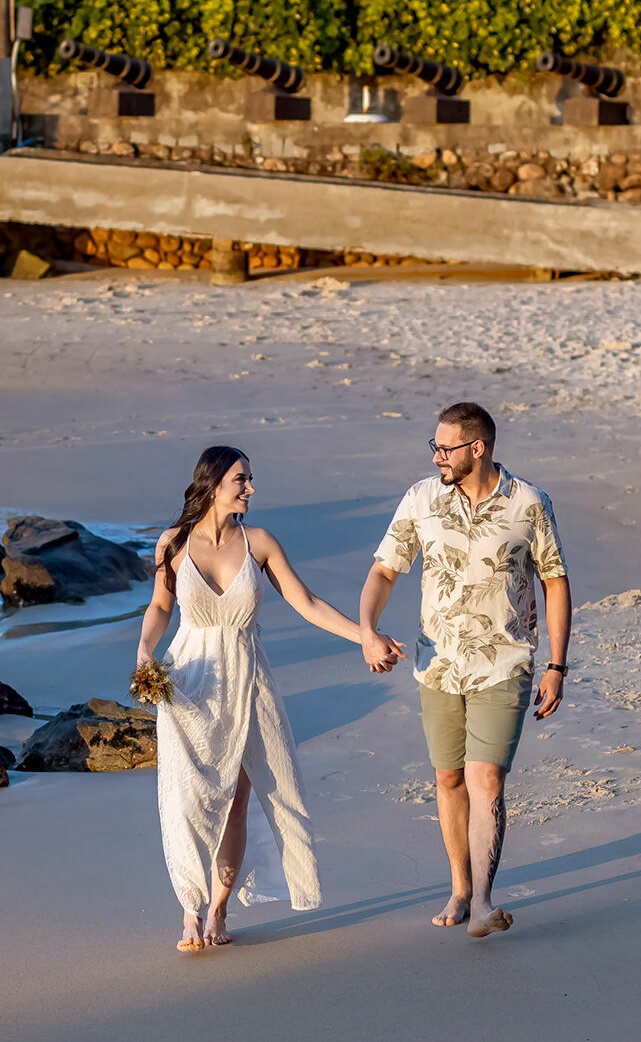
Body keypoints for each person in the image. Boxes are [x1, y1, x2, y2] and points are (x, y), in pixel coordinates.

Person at [136, 445, 403, 952]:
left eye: (250, 479)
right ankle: (190, 909)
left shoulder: (258, 543)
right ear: (214, 483)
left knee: (238, 799)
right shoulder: (172, 543)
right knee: (189, 797)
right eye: (242, 479)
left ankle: (218, 909)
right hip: (188, 680)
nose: (251, 488)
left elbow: (307, 603)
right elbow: (159, 606)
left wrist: (365, 637)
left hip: (248, 679)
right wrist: (144, 650)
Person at [358, 401, 571, 939]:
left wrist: (557, 665)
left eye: (444, 448)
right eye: (434, 446)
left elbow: (554, 580)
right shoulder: (421, 499)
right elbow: (384, 570)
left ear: (477, 448)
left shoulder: (529, 503)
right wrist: (367, 629)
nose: (436, 457)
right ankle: (459, 887)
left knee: (486, 777)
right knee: (449, 777)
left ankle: (481, 902)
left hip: (505, 661)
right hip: (438, 664)